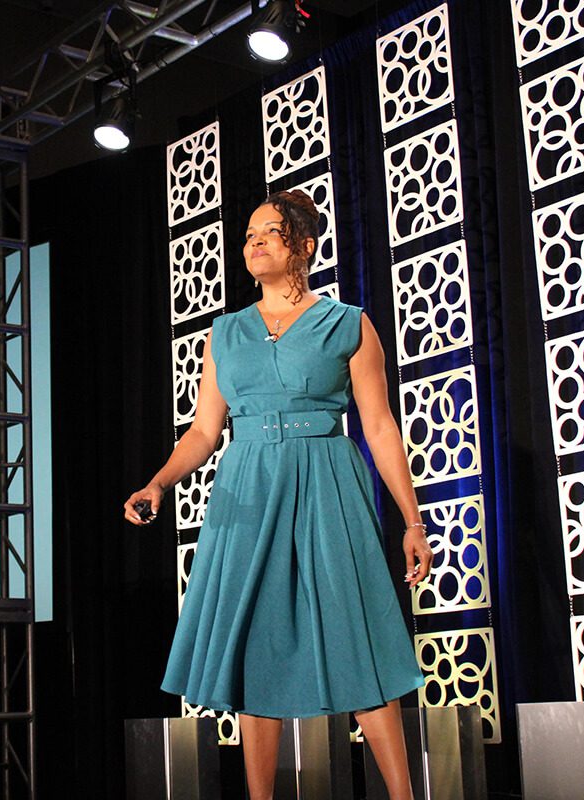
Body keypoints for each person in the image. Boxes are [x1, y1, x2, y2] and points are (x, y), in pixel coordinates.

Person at [124, 189, 433, 800]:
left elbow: (378, 426)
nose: (254, 243)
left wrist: (411, 521)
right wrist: (159, 481)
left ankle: (403, 796)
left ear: (305, 245)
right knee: (254, 645)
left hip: (327, 486)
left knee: (356, 639)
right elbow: (205, 430)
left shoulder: (348, 323)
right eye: (248, 235)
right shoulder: (226, 332)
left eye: (269, 232)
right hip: (249, 488)